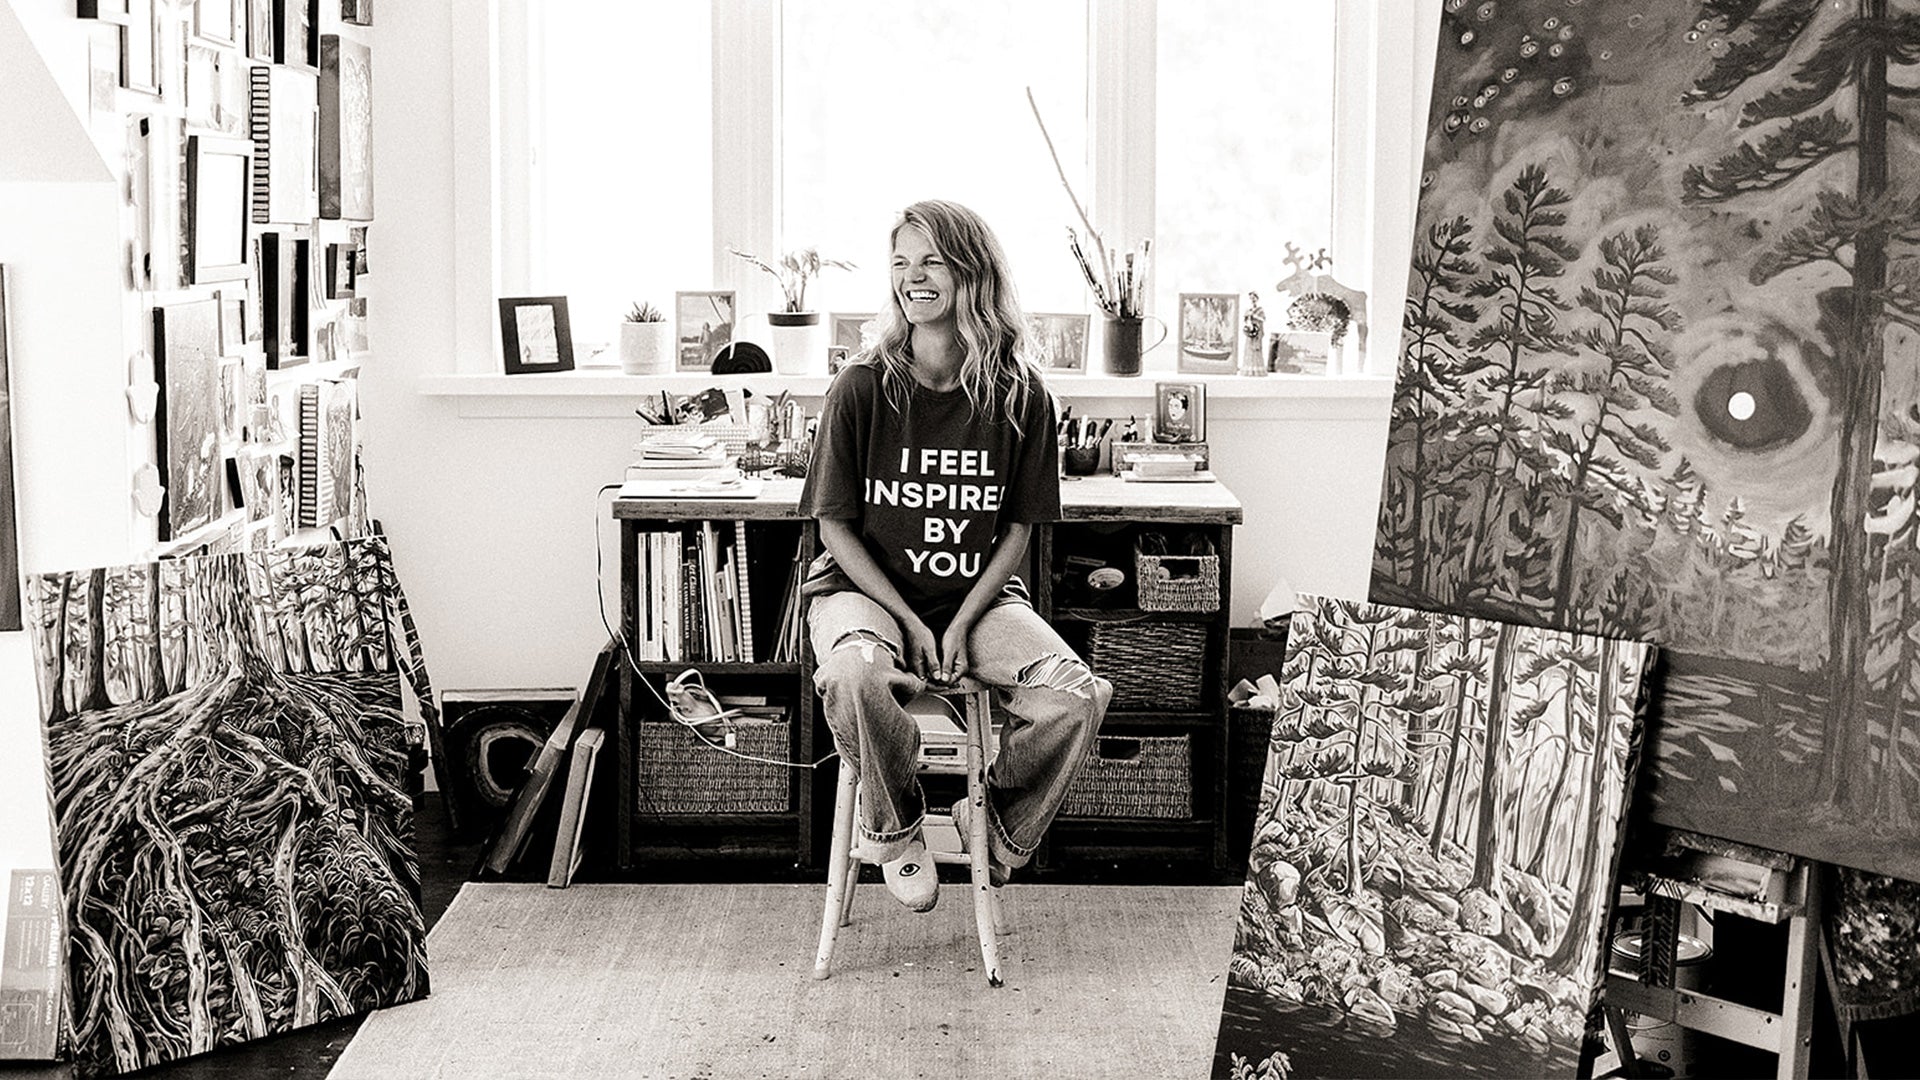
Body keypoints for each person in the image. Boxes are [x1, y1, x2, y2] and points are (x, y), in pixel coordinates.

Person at [799, 199, 1112, 912]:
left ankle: (995, 824)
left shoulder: (1022, 395)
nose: (913, 277)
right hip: (863, 595)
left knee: (1077, 697)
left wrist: (963, 621)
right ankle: (897, 825)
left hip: (979, 598)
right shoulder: (861, 386)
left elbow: (1017, 532)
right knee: (852, 675)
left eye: (932, 261)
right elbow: (835, 528)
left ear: (973, 272)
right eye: (901, 263)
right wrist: (911, 622)